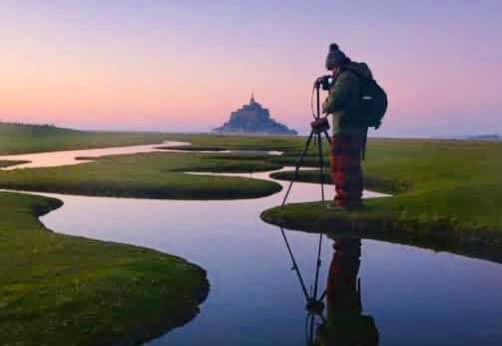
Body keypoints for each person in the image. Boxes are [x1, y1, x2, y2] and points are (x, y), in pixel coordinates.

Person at [322, 43, 373, 209]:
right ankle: (352, 200)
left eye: (332, 69)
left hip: (346, 128)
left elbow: (332, 104)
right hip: (354, 127)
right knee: (350, 165)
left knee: (342, 166)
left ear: (336, 65)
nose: (332, 73)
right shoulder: (354, 75)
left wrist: (325, 102)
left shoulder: (346, 77)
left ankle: (344, 201)